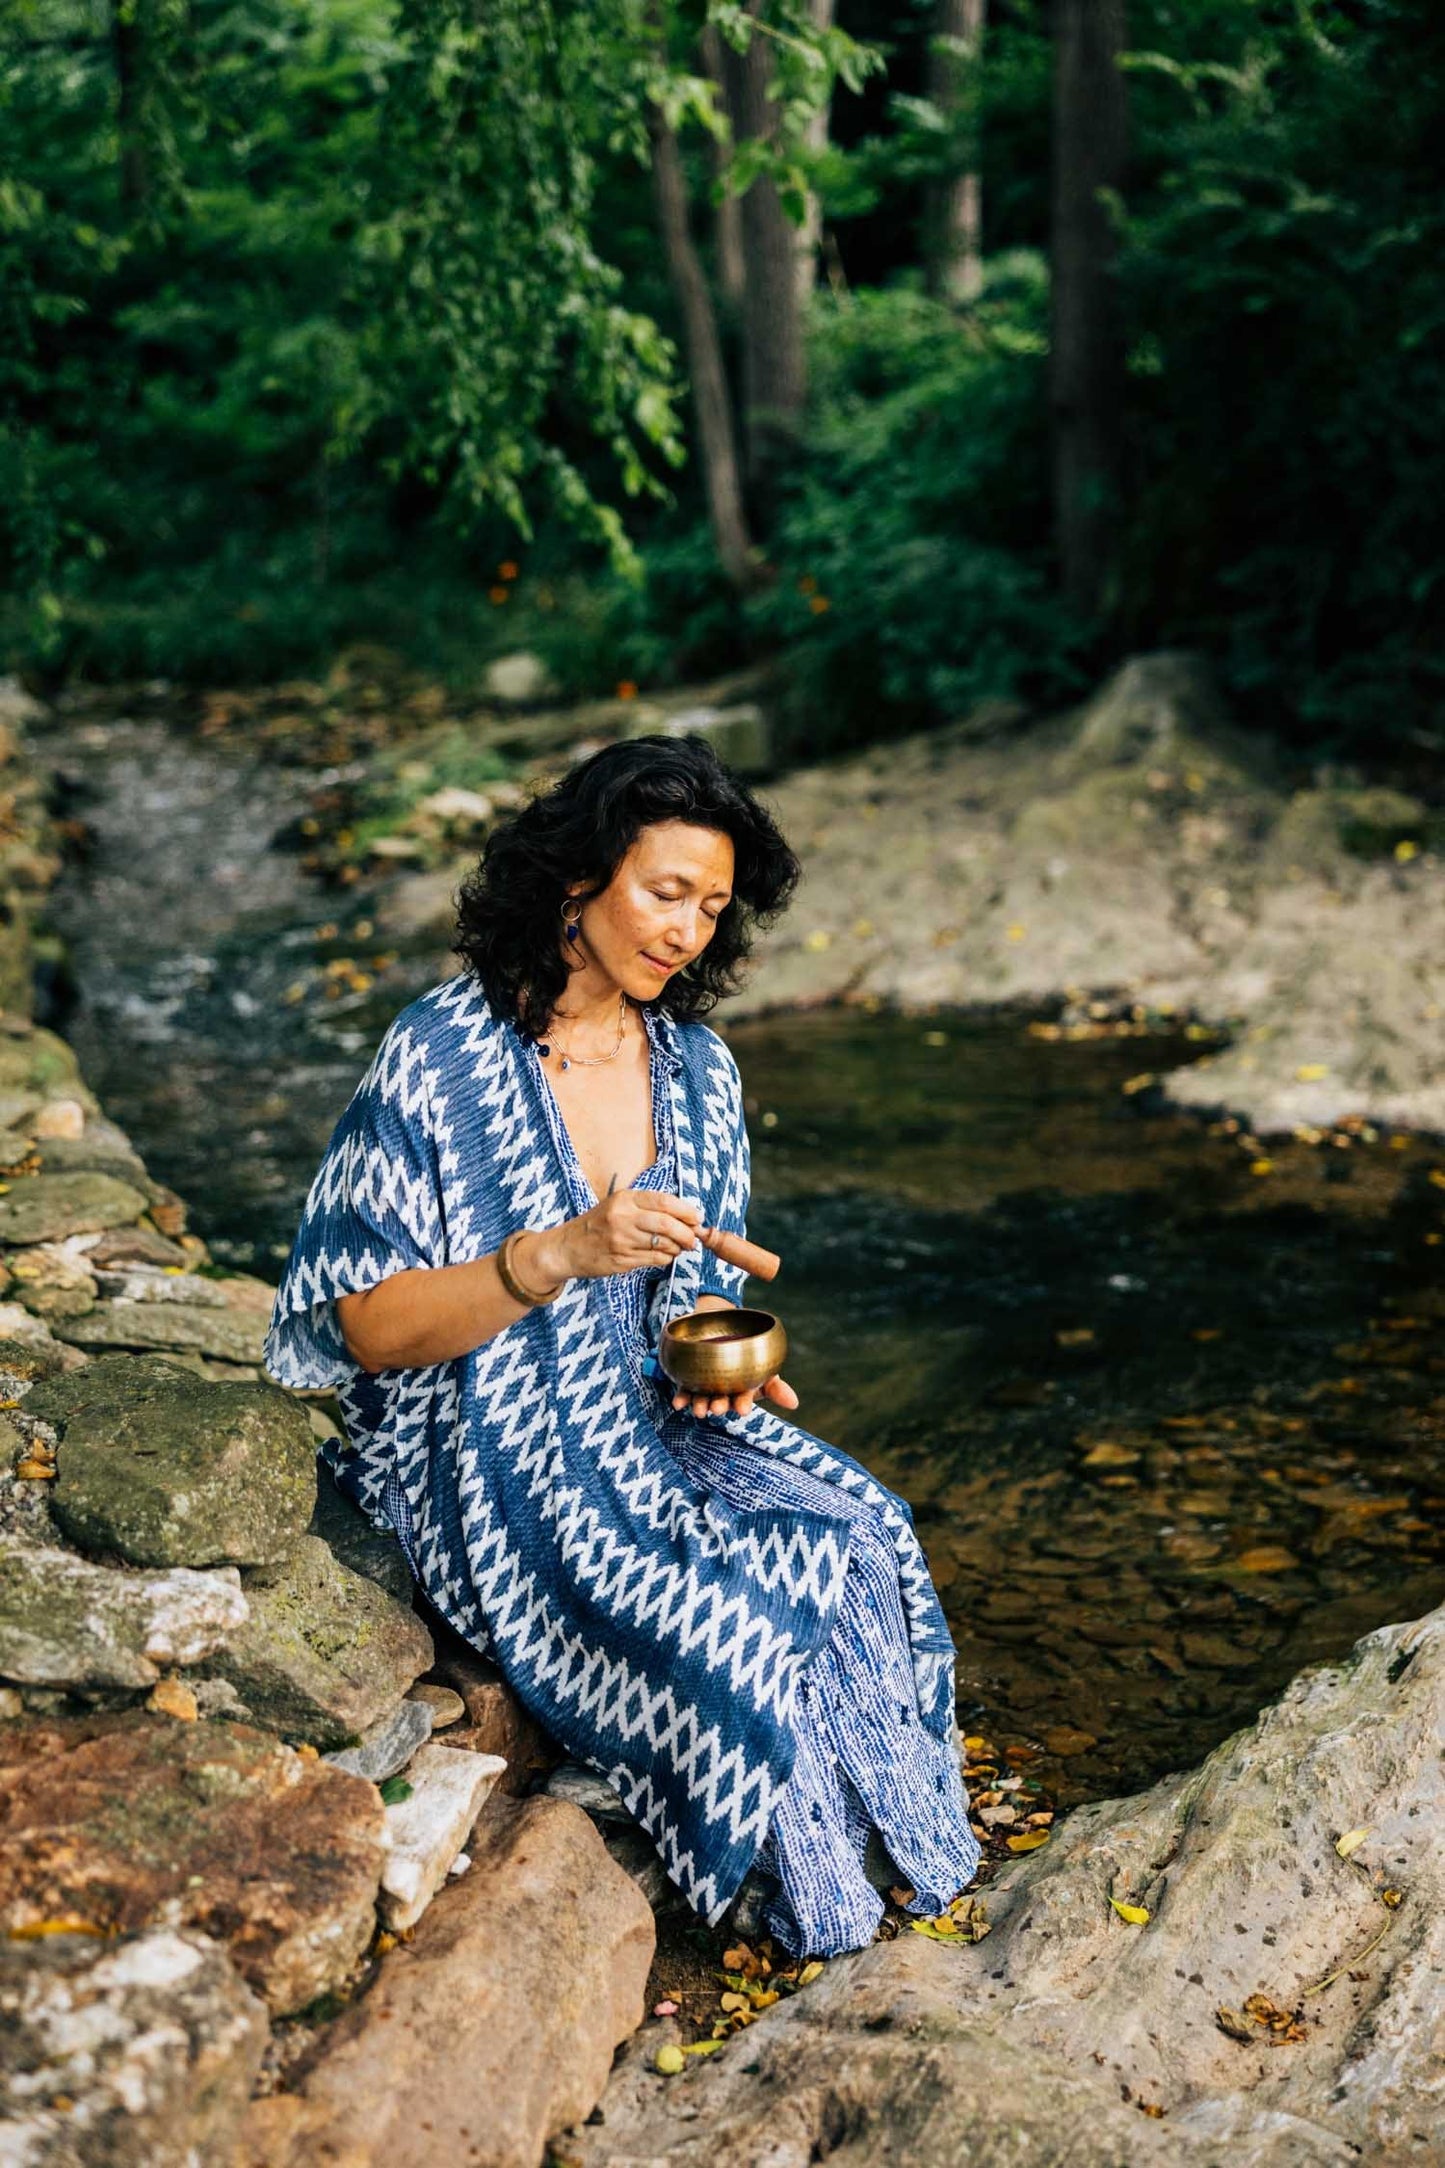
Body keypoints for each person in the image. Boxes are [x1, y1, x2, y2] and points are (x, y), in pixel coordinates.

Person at [263, 734, 980, 1954]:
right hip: (479, 1450)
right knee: (736, 1610)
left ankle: (898, 1832)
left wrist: (719, 1373)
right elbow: (363, 1327)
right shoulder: (437, 1057)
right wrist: (554, 1252)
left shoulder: (697, 1070)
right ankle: (798, 1877)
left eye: (711, 906)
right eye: (665, 891)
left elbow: (688, 1303)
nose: (688, 929)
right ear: (577, 879)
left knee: (863, 1528)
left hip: (647, 1421)